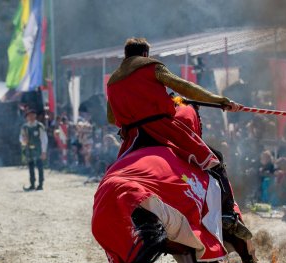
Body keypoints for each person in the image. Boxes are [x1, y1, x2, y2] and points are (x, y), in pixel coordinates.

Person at [105, 37, 247, 237]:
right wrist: (221, 100)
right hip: (163, 129)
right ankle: (228, 214)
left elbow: (111, 118)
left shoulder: (113, 81)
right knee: (214, 161)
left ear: (126, 55)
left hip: (132, 138)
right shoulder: (152, 67)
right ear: (145, 54)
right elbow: (185, 87)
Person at [19, 109, 47, 191]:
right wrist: (23, 140)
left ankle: (40, 184)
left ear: (35, 116)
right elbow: (21, 137)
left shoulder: (39, 126)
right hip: (29, 150)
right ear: (27, 117)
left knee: (40, 167)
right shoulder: (25, 127)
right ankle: (32, 184)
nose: (30, 117)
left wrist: (44, 151)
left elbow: (44, 139)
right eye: (29, 116)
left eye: (32, 115)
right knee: (31, 167)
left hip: (38, 149)